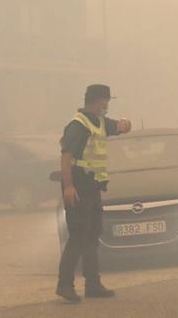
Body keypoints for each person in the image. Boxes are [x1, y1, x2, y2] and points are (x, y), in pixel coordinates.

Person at [56, 84, 131, 303]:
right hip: (78, 186)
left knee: (91, 236)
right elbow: (66, 156)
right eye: (106, 101)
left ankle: (93, 284)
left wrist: (126, 124)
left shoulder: (99, 122)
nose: (107, 106)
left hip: (93, 186)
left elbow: (118, 127)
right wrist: (68, 186)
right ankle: (65, 285)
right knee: (78, 237)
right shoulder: (78, 125)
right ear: (99, 101)